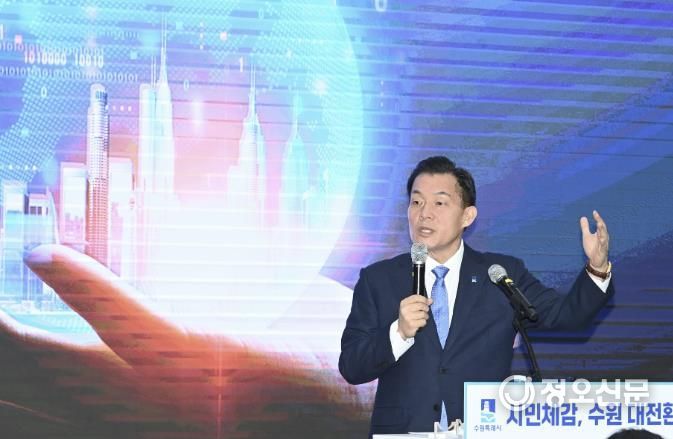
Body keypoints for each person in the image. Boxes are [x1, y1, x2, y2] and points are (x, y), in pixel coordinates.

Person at [338, 155, 615, 436]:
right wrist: (399, 333)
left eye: (439, 203)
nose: (424, 214)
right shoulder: (379, 279)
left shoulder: (500, 275)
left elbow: (567, 316)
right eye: (416, 201)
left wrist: (597, 267)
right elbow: (351, 366)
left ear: (467, 216)